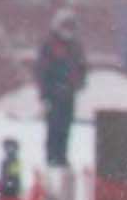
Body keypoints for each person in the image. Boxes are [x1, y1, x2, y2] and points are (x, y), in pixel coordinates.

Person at [37, 11, 89, 169]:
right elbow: (42, 71)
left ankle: (62, 156)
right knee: (53, 126)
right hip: (53, 93)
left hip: (69, 93)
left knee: (66, 126)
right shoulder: (49, 45)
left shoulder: (75, 46)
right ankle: (52, 156)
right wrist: (45, 93)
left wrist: (79, 81)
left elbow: (82, 66)